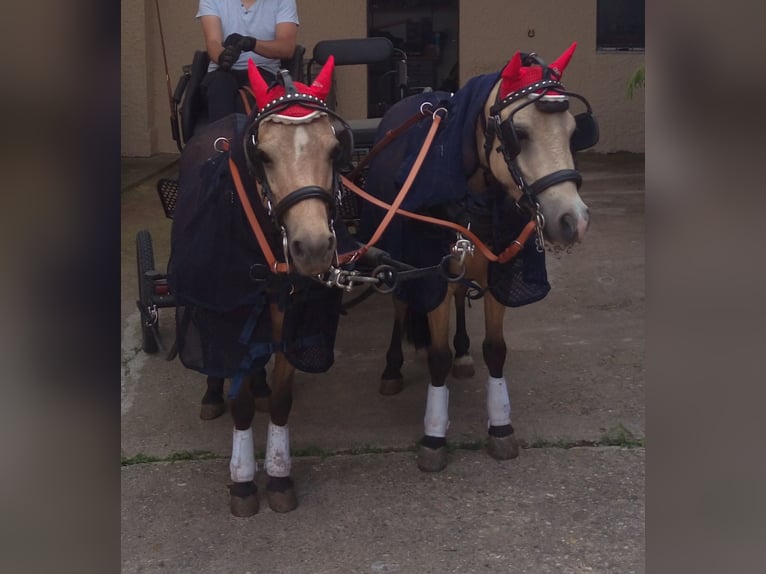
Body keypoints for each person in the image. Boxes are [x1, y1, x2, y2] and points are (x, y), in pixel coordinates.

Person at [196, 0, 300, 121]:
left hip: (264, 71)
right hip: (222, 72)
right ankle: (221, 139)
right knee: (220, 88)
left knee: (245, 102)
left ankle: (249, 139)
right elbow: (213, 42)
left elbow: (287, 48)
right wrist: (223, 56)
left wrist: (252, 44)